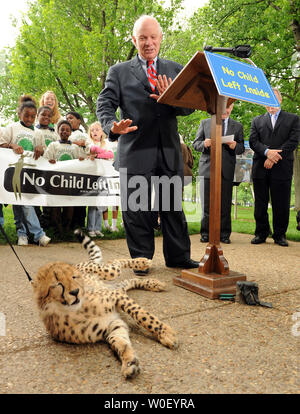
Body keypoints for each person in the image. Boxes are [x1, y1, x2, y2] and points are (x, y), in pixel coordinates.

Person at [97, 15, 199, 274]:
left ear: (161, 39)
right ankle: (141, 260)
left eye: (153, 37)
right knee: (137, 209)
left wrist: (172, 100)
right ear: (134, 40)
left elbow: (189, 107)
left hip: (168, 151)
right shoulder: (118, 72)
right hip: (135, 150)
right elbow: (105, 103)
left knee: (172, 207)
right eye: (142, 37)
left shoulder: (176, 69)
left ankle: (178, 257)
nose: (149, 42)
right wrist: (111, 126)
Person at [249, 88, 300, 247]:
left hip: (282, 166)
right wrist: (266, 152)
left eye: (273, 100)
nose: (270, 105)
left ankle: (280, 235)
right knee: (260, 203)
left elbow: (293, 141)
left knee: (281, 203)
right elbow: (253, 141)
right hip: (260, 167)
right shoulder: (256, 121)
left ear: (280, 100)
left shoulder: (293, 119)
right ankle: (261, 233)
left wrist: (273, 157)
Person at [0, 95, 51, 246]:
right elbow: (1, 144)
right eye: (26, 116)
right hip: (14, 172)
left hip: (31, 174)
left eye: (32, 117)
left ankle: (23, 233)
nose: (29, 119)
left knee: (25, 203)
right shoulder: (11, 128)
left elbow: (45, 152)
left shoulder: (38, 133)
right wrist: (12, 146)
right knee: (19, 202)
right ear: (19, 114)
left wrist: (41, 148)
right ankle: (36, 234)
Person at [193, 103, 245, 244]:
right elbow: (195, 144)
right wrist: (204, 144)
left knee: (225, 205)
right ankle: (205, 234)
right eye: (223, 107)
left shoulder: (238, 126)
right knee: (206, 205)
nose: (225, 110)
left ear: (232, 107)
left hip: (226, 170)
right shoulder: (205, 123)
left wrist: (235, 146)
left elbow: (241, 148)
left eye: (228, 107)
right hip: (207, 169)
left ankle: (224, 235)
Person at [43, 120, 86, 236]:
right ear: (58, 131)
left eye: (67, 130)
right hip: (56, 181)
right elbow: (46, 159)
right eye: (62, 129)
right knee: (55, 207)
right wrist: (50, 161)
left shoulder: (75, 147)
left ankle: (66, 229)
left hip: (69, 182)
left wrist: (82, 160)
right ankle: (57, 230)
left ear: (71, 132)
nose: (65, 132)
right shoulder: (53, 145)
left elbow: (83, 160)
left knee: (69, 208)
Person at [87, 121, 114, 237]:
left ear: (102, 132)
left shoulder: (106, 144)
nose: (95, 132)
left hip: (103, 177)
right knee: (93, 203)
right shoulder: (89, 142)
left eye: (97, 129)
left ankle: (98, 228)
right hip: (93, 176)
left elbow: (111, 155)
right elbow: (92, 149)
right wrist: (102, 153)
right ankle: (90, 228)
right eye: (92, 130)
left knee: (100, 203)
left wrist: (98, 155)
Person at [66, 111, 91, 229]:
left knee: (82, 198)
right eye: (67, 118)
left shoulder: (86, 135)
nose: (68, 120)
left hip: (83, 170)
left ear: (79, 120)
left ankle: (80, 225)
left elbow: (91, 147)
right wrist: (75, 142)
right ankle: (68, 226)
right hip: (69, 170)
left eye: (71, 118)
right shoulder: (66, 133)